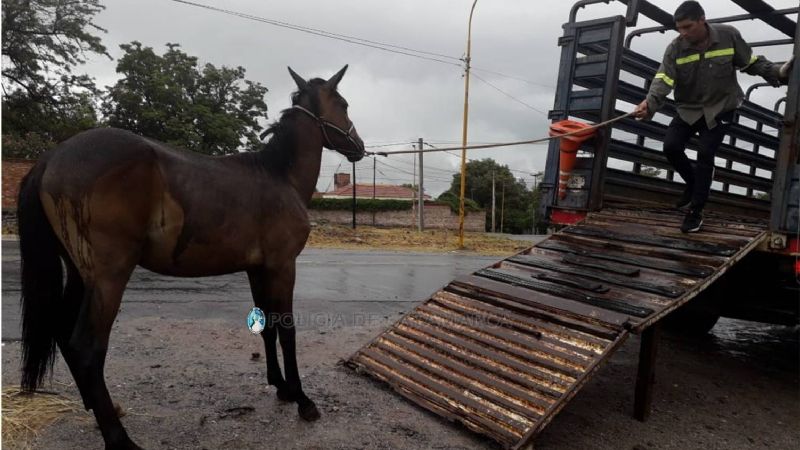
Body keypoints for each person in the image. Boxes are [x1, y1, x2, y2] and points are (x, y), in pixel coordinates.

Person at [633, 1, 793, 233]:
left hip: (721, 107)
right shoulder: (675, 48)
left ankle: (695, 211)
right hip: (689, 108)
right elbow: (663, 80)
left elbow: (750, 63)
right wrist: (649, 105)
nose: (683, 33)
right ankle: (693, 184)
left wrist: (777, 72)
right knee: (671, 146)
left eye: (688, 27)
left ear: (702, 20)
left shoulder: (729, 36)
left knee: (705, 153)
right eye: (679, 28)